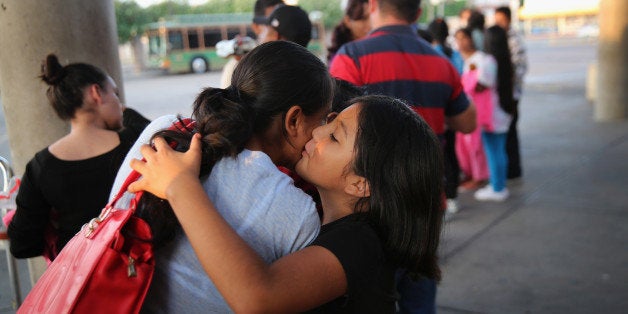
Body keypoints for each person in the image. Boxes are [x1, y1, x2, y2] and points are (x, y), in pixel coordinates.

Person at [128, 94, 444, 313]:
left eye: (334, 137)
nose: (317, 132)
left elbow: (258, 297)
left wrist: (180, 186)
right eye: (329, 121)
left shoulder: (361, 243)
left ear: (361, 184)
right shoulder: (333, 222)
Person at [110, 41, 333, 312]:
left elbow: (114, 215)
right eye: (322, 121)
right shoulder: (296, 213)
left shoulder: (165, 132)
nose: (321, 134)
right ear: (294, 119)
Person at [329, 1, 476, 311]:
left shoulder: (352, 57)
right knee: (420, 300)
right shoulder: (442, 62)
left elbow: (332, 124)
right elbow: (468, 122)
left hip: (370, 205)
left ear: (372, 5)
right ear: (418, 13)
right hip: (425, 200)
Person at [7, 54, 149, 262]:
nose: (119, 103)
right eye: (115, 94)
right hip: (140, 271)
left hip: (81, 278)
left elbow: (22, 244)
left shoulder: (40, 166)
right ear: (96, 93)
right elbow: (158, 131)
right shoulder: (135, 144)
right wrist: (118, 111)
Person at [426, 17, 464, 214]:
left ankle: (446, 197)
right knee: (451, 154)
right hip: (452, 111)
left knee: (440, 158)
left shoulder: (430, 55)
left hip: (436, 114)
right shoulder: (455, 54)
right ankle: (453, 194)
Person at [473, 25, 513, 202]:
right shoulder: (506, 60)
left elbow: (481, 84)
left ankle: (497, 188)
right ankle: (499, 185)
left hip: (491, 114)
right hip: (503, 111)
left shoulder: (489, 61)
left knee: (492, 151)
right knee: (500, 150)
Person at [453, 28, 490, 193]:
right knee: (464, 145)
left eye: (463, 38)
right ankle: (470, 173)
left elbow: (481, 85)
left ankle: (478, 177)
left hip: (477, 109)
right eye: (457, 39)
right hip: (465, 107)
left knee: (475, 145)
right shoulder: (463, 59)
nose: (460, 42)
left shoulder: (481, 59)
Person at [219, 0, 284, 88]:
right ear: (256, 27)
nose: (279, 33)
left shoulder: (297, 60)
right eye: (271, 24)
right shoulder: (236, 68)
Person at [495, 6, 527, 179]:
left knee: (510, 130)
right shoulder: (500, 37)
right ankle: (509, 169)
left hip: (512, 94)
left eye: (501, 20)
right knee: (505, 132)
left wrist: (509, 86)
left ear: (508, 19)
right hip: (505, 92)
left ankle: (513, 170)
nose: (499, 23)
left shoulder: (514, 39)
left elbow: (520, 67)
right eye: (496, 20)